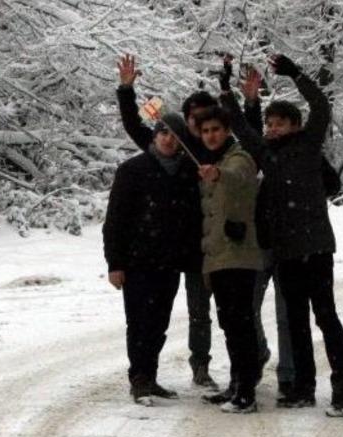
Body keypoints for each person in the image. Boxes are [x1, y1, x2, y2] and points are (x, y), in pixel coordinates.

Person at [115, 54, 271, 391]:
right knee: (199, 312)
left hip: (225, 247)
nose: (203, 129)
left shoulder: (215, 154)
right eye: (196, 121)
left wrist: (250, 101)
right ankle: (200, 365)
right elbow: (138, 127)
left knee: (240, 313)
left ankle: (251, 365)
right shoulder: (177, 153)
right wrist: (127, 90)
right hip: (190, 250)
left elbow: (252, 140)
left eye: (208, 122)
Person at [219, 54, 343, 417]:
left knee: (326, 317)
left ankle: (342, 386)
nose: (272, 128)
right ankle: (303, 388)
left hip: (316, 247)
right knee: (296, 321)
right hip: (285, 251)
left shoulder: (310, 145)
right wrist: (227, 87)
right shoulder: (265, 155)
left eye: (279, 123)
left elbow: (320, 105)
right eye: (270, 123)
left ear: (295, 126)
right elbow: (239, 128)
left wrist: (295, 73)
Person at [102, 114, 203, 406]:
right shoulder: (133, 170)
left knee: (159, 322)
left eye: (174, 135)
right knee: (139, 323)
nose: (168, 140)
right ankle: (139, 380)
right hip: (137, 261)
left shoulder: (187, 171)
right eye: (163, 133)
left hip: (170, 261)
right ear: (155, 136)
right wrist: (115, 263)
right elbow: (116, 221)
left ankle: (151, 375)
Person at [194, 106, 264, 414]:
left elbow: (238, 176)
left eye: (216, 130)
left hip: (238, 256)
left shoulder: (239, 158)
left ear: (227, 131)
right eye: (205, 131)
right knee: (229, 324)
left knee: (240, 324)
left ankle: (246, 392)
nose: (210, 136)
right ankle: (237, 384)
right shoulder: (215, 160)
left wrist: (218, 174)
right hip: (218, 257)